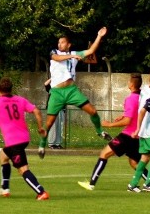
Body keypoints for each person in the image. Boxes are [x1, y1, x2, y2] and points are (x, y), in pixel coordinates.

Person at [39, 27, 110, 158]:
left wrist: (99, 36)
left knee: (93, 111)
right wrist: (72, 55)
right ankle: (42, 144)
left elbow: (91, 51)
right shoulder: (55, 52)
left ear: (69, 44)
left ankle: (100, 132)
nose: (60, 44)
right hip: (57, 93)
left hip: (71, 90)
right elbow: (57, 58)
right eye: (59, 42)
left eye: (62, 42)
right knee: (49, 123)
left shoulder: (74, 54)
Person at [0, 77, 50, 200]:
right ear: (11, 89)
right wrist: (40, 127)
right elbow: (36, 111)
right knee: (3, 156)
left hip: (13, 142)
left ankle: (41, 192)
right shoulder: (20, 100)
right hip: (24, 138)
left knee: (23, 169)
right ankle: (5, 188)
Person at [78, 73, 142, 191]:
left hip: (127, 135)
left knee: (104, 154)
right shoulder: (141, 98)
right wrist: (122, 116)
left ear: (132, 84)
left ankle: (91, 183)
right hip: (138, 136)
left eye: (129, 81)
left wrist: (110, 124)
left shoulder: (130, 99)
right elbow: (135, 114)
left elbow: (128, 120)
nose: (128, 83)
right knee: (134, 163)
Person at [127, 69, 150, 192]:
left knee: (144, 157)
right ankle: (148, 183)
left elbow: (147, 106)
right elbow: (143, 110)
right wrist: (137, 128)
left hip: (143, 131)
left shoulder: (145, 90)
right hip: (149, 130)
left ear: (149, 79)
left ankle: (133, 184)